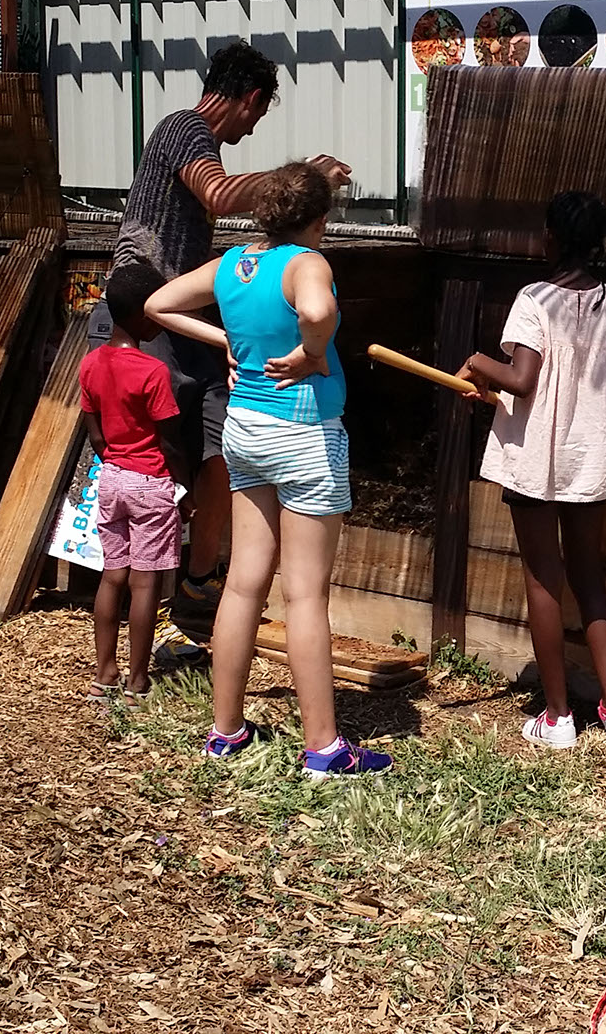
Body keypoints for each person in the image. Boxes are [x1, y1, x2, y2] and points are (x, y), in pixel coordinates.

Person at [146, 164, 390, 778]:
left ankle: (225, 731)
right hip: (305, 436)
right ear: (318, 220)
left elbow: (158, 303)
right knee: (304, 594)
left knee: (242, 584)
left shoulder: (234, 263)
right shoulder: (307, 263)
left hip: (246, 431)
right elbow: (316, 310)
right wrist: (312, 350)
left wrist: (224, 340)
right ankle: (324, 748)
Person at [111, 41, 351, 604]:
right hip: (145, 316)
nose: (255, 125)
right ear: (250, 98)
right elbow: (218, 196)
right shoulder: (184, 128)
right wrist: (302, 179)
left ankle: (195, 582)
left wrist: (226, 336)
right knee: (159, 457)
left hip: (181, 320)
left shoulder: (197, 143)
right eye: (260, 112)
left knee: (214, 449)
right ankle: (151, 591)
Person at [458, 190, 606, 750]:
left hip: (537, 461)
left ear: (552, 238)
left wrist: (477, 363)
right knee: (588, 576)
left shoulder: (534, 298)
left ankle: (558, 717)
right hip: (592, 459)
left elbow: (521, 381)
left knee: (544, 578)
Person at [75, 265, 191, 700]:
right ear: (145, 316)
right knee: (145, 584)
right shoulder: (153, 371)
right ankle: (138, 680)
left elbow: (96, 436)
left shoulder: (90, 363)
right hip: (151, 481)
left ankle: (104, 673)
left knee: (113, 575)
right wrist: (186, 491)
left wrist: (116, 464)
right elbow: (170, 442)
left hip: (111, 478)